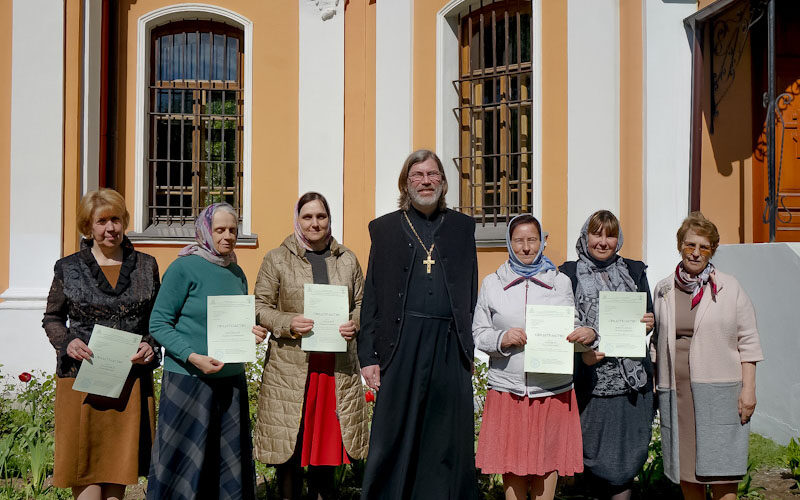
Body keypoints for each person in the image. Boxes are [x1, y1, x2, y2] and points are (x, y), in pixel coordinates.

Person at [358, 149, 478, 499]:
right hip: (400, 342)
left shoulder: (462, 227)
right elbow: (373, 295)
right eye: (418, 175)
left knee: (446, 436)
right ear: (405, 182)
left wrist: (468, 346)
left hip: (448, 343)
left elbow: (469, 289)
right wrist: (368, 355)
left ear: (443, 181)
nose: (426, 181)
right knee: (394, 432)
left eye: (432, 174)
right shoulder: (383, 229)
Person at [42, 188, 160, 500]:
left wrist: (151, 344)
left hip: (129, 381)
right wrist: (67, 342)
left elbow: (157, 321)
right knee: (86, 472)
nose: (111, 228)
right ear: (88, 226)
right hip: (81, 380)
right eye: (102, 221)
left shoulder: (147, 266)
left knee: (118, 473)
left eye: (116, 220)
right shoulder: (68, 267)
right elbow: (52, 318)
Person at [146, 202, 267, 500]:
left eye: (233, 230)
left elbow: (233, 321)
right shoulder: (183, 267)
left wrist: (252, 333)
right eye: (220, 230)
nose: (227, 236)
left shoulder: (237, 271)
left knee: (224, 464)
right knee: (183, 464)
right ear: (205, 230)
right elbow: (159, 324)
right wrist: (193, 356)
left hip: (230, 383)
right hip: (188, 380)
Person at [252, 192, 369, 499]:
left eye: (321, 216)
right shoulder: (277, 258)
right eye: (308, 217)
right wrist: (288, 322)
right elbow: (260, 306)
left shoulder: (348, 258)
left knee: (326, 451)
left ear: (329, 219)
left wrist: (355, 323)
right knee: (291, 448)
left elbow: (363, 303)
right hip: (291, 368)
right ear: (297, 220)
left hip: (334, 370)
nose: (315, 223)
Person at [474, 214, 596, 500]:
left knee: (547, 466)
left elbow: (571, 327)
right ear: (509, 243)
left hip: (551, 389)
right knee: (512, 467)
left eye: (532, 240)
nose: (526, 247)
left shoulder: (561, 282)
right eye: (519, 240)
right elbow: (478, 333)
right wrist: (502, 339)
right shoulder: (492, 284)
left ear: (543, 242)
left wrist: (587, 335)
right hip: (509, 390)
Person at [652, 212, 763, 500]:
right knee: (688, 471)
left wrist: (748, 390)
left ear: (712, 250)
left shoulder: (729, 287)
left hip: (720, 393)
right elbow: (659, 340)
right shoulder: (664, 288)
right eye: (690, 245)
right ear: (680, 246)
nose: (696, 253)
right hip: (678, 393)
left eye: (704, 247)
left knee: (723, 471)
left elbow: (748, 340)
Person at [559, 210, 655, 500]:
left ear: (618, 238)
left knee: (626, 464)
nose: (603, 241)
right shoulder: (567, 275)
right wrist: (581, 357)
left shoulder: (635, 271)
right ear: (585, 236)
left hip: (631, 387)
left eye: (610, 234)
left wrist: (650, 322)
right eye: (596, 233)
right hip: (592, 386)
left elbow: (648, 316)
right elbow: (562, 326)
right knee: (591, 462)